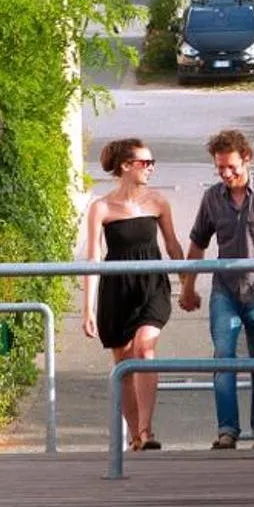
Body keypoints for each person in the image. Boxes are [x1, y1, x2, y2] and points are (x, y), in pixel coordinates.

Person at [177, 128, 254, 449]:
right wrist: (188, 286)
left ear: (247, 159)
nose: (226, 174)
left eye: (231, 167)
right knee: (223, 358)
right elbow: (197, 243)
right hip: (226, 292)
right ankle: (227, 431)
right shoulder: (212, 198)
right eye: (220, 168)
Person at [82, 137, 185, 452]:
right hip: (118, 287)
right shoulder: (101, 207)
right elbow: (93, 258)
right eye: (145, 163)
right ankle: (134, 437)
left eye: (152, 163)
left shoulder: (158, 202)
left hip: (152, 284)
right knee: (123, 361)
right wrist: (87, 308)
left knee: (144, 348)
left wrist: (187, 282)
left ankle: (147, 429)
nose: (151, 168)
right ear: (126, 166)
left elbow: (173, 244)